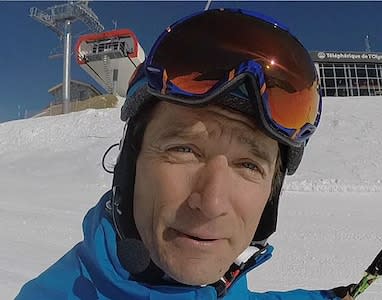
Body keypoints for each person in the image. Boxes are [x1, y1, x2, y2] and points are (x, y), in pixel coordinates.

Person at [16, 8, 355, 300]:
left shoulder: (223, 285)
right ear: (130, 166)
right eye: (184, 149)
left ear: (271, 196)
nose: (211, 204)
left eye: (248, 165)